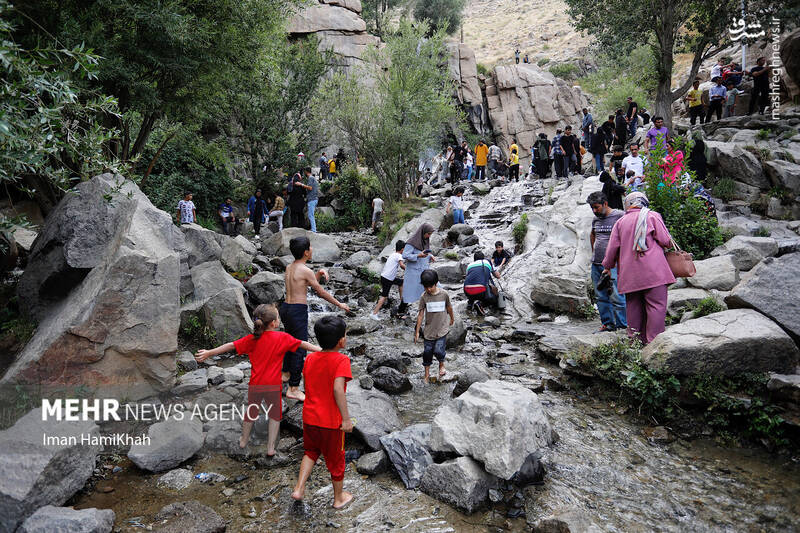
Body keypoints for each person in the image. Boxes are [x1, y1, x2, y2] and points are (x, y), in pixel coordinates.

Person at [195, 304, 322, 454]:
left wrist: (210, 352)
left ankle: (243, 440)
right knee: (275, 416)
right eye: (278, 318)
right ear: (274, 323)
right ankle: (270, 448)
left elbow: (231, 345)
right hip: (274, 386)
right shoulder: (283, 337)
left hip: (256, 385)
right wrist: (322, 350)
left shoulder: (252, 339)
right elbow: (302, 344)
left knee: (252, 412)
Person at [291, 315, 354, 510]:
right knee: (336, 460)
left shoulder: (310, 359)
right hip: (331, 423)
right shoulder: (342, 360)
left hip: (310, 418)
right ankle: (339, 498)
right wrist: (346, 419)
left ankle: (299, 489)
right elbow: (337, 389)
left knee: (310, 452)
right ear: (341, 340)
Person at [281, 236, 351, 401]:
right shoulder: (305, 271)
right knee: (299, 347)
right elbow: (320, 292)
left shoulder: (289, 267)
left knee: (289, 342)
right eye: (310, 247)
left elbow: (304, 284)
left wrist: (318, 273)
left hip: (286, 308)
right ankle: (294, 387)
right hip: (298, 310)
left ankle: (285, 373)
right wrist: (339, 304)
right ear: (306, 252)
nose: (312, 249)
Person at [602, 192, 676, 344]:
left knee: (633, 308)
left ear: (628, 204)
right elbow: (665, 240)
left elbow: (611, 249)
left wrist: (607, 266)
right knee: (656, 306)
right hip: (654, 272)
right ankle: (653, 343)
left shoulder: (620, 222)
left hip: (630, 275)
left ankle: (634, 342)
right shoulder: (652, 216)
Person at [587, 192, 627, 333]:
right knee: (600, 296)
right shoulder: (595, 219)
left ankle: (623, 326)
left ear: (605, 204)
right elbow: (592, 234)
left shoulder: (620, 216)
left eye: (596, 207)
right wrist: (594, 251)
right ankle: (608, 324)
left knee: (617, 296)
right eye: (592, 208)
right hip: (597, 264)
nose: (594, 210)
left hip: (615, 265)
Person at [415, 269, 454, 383]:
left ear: (436, 283)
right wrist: (417, 331)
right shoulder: (424, 297)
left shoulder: (444, 294)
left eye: (430, 286)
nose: (428, 289)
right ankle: (426, 374)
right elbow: (421, 314)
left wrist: (452, 318)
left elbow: (449, 307)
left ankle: (441, 365)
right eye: (425, 287)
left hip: (442, 328)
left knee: (438, 350)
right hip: (429, 331)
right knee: (427, 352)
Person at [401, 223, 436, 308]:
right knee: (409, 292)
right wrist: (418, 256)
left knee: (430, 288)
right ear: (423, 232)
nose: (429, 236)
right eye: (428, 234)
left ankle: (429, 309)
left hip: (424, 270)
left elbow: (426, 252)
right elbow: (405, 255)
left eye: (430, 234)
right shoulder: (412, 242)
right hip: (413, 272)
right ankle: (400, 311)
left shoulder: (425, 241)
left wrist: (430, 256)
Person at [371, 240, 406, 319]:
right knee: (384, 296)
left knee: (401, 282)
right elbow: (401, 265)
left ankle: (402, 300)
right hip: (388, 279)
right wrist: (408, 270)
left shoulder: (393, 254)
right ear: (402, 249)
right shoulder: (399, 256)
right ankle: (374, 313)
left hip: (385, 276)